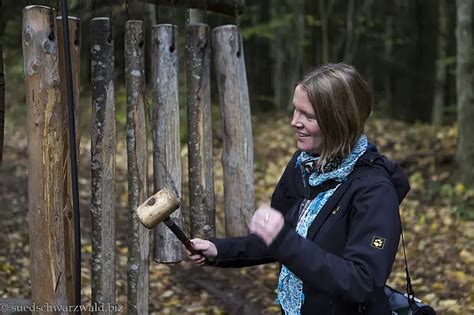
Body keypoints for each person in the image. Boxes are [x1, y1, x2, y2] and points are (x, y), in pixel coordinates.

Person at [187, 63, 410, 315]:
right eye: (295, 110)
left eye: (308, 116)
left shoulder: (374, 190)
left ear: (339, 121)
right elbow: (277, 239)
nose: (295, 122)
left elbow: (362, 282)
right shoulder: (304, 165)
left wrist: (283, 239)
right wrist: (221, 251)